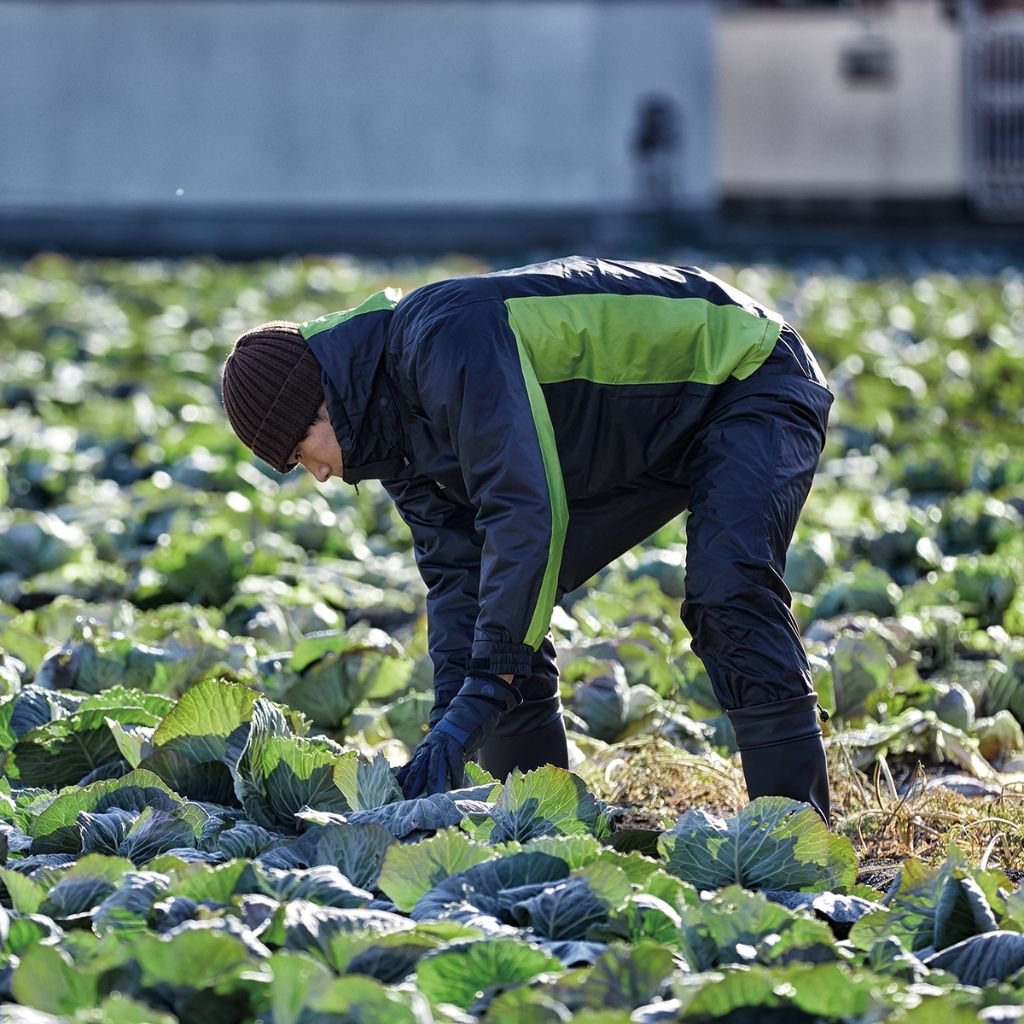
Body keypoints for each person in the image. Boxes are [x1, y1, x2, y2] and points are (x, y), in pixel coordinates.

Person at [220, 256, 834, 821]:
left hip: (750, 374)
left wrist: (484, 692)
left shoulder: (443, 341)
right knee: (504, 612)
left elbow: (521, 512)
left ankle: (797, 842)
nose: (321, 474)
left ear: (323, 407)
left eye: (303, 455)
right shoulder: (391, 446)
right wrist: (447, 733)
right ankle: (541, 831)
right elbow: (461, 579)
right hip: (646, 431)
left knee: (728, 592)